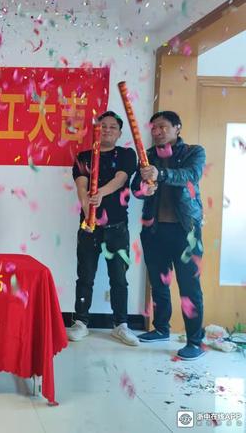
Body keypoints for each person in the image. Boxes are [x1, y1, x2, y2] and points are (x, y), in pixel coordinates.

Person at [131, 111, 206, 360]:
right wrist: (143, 189)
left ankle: (195, 341)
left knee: (189, 287)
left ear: (177, 128)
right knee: (158, 283)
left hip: (186, 231)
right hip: (154, 230)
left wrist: (160, 174)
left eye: (163, 127)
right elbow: (135, 188)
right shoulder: (148, 156)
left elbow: (191, 176)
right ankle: (162, 328)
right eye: (154, 128)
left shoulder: (194, 152)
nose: (157, 132)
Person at [67, 111, 140, 346]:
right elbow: (81, 185)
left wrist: (100, 194)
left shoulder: (127, 154)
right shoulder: (84, 156)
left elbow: (121, 179)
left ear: (119, 133)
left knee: (118, 277)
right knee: (85, 276)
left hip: (117, 227)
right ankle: (80, 322)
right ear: (96, 131)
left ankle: (121, 325)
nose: (107, 130)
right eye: (103, 126)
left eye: (112, 127)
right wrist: (87, 207)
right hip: (89, 227)